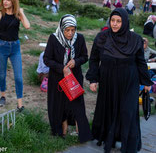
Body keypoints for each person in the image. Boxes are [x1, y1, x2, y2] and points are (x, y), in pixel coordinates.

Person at [86, 8, 153, 153]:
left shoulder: (135, 39)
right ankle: (110, 139)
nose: (115, 24)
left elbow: (141, 62)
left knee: (127, 111)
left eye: (119, 21)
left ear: (125, 22)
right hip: (108, 82)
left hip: (129, 82)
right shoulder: (102, 38)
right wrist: (93, 79)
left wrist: (146, 82)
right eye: (113, 21)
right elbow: (94, 59)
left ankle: (129, 146)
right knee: (109, 111)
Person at [43, 14, 92, 143]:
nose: (70, 33)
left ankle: (80, 131)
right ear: (61, 28)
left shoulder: (79, 38)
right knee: (59, 104)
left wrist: (75, 61)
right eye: (67, 30)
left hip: (74, 77)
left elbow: (85, 56)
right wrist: (61, 68)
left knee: (76, 103)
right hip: (57, 79)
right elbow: (47, 59)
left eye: (73, 30)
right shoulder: (54, 39)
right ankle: (60, 131)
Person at [0, 0, 30, 111]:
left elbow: (27, 26)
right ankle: (3, 96)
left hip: (15, 47)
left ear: (13, 1)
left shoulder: (18, 15)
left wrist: (21, 12)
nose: (5, 2)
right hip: (2, 47)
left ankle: (20, 105)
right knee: (2, 75)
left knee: (18, 77)